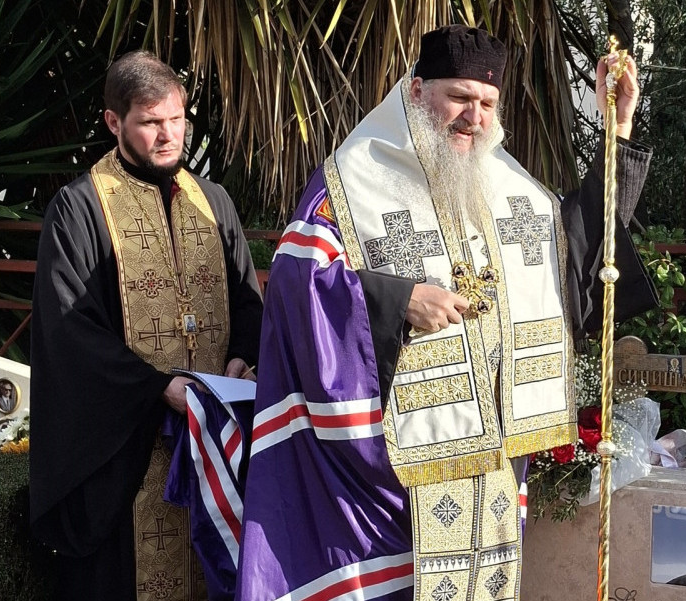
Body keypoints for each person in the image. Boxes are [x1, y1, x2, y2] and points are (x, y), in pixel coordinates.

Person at [237, 24, 655, 601]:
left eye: (487, 103)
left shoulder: (507, 184)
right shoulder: (356, 178)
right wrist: (397, 298)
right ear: (415, 91)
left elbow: (581, 259)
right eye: (459, 97)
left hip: (493, 458)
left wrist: (618, 131)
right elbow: (295, 281)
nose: (474, 117)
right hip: (389, 467)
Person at [29, 50, 263, 601]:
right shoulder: (79, 209)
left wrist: (242, 356)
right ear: (114, 122)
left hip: (215, 452)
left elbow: (246, 298)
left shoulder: (214, 203)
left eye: (177, 118)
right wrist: (156, 386)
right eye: (151, 122)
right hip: (128, 456)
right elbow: (70, 331)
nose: (169, 135)